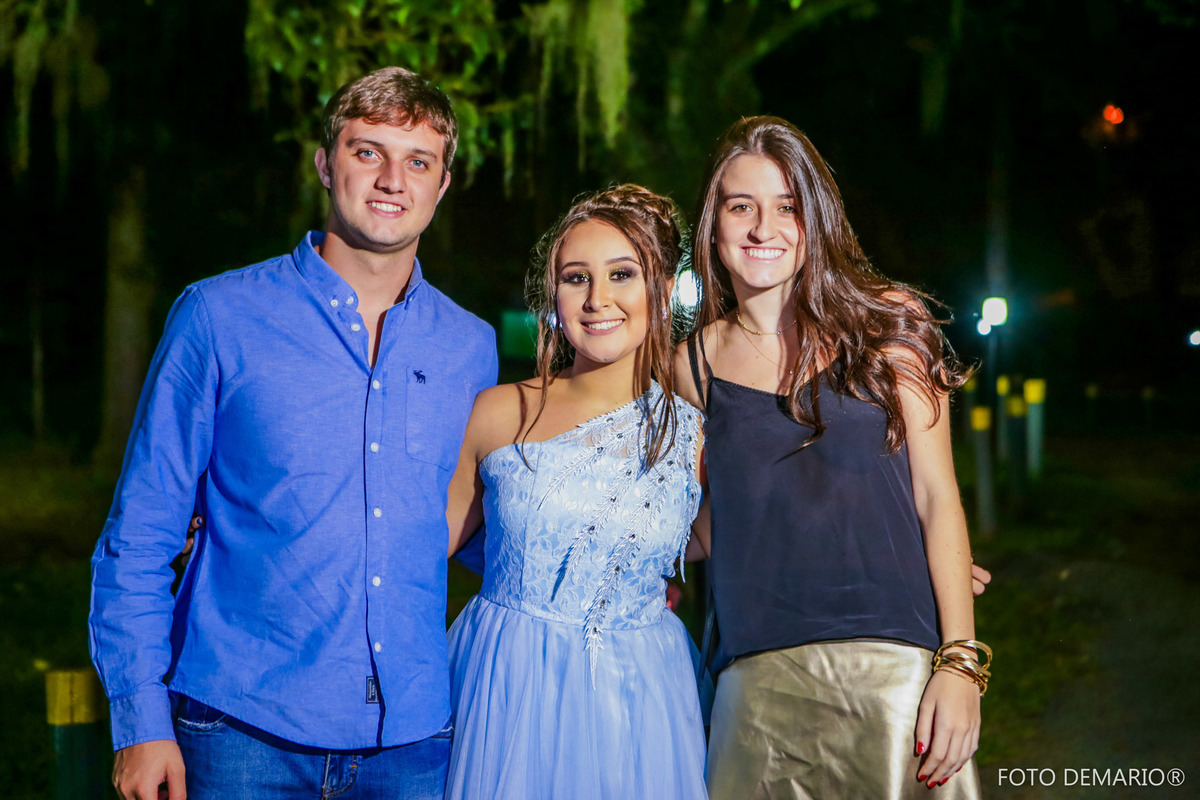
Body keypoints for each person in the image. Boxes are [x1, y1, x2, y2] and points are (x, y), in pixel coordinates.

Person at [89, 67, 498, 800]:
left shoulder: (470, 346)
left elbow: (460, 524)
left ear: (442, 185)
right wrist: (140, 721)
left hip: (414, 744)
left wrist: (604, 573)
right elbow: (141, 536)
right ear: (325, 164)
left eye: (418, 161)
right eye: (367, 152)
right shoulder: (218, 317)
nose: (391, 180)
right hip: (241, 734)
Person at [676, 116, 986, 799]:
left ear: (814, 218)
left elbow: (937, 498)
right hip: (755, 681)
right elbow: (706, 526)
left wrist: (960, 664)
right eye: (741, 206)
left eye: (786, 206)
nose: (763, 228)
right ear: (713, 224)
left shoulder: (891, 324)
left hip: (896, 668)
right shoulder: (689, 365)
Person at [443, 185, 708, 799]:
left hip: (641, 697)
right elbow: (420, 548)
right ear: (553, 294)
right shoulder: (499, 412)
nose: (597, 299)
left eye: (622, 274)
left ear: (662, 289)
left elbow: (715, 543)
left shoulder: (693, 434)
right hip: (508, 684)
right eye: (576, 277)